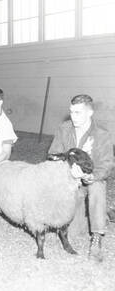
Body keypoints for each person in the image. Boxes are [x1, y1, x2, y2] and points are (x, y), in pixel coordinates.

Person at [48, 94, 114, 262]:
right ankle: (99, 213)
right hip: (69, 182)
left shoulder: (102, 134)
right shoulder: (64, 128)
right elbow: (52, 154)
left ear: (90, 112)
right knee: (73, 231)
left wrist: (90, 176)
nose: (73, 117)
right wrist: (68, 169)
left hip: (89, 182)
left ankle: (98, 235)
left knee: (98, 186)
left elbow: (107, 165)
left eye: (78, 113)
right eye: (71, 112)